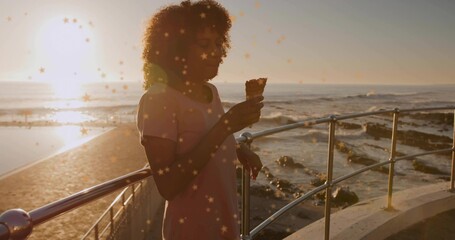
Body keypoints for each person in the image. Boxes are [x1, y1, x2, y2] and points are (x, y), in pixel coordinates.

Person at [136, 1, 264, 239]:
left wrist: (237, 148)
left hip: (225, 227)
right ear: (176, 49)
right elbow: (168, 184)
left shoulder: (211, 92)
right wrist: (226, 125)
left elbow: (204, 138)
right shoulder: (158, 100)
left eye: (218, 43)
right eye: (204, 44)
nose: (216, 52)